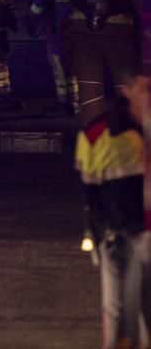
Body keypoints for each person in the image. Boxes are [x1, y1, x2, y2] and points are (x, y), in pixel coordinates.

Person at [74, 72, 150, 349]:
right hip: (121, 235)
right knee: (122, 316)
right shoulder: (99, 135)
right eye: (147, 88)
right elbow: (89, 190)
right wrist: (99, 230)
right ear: (126, 90)